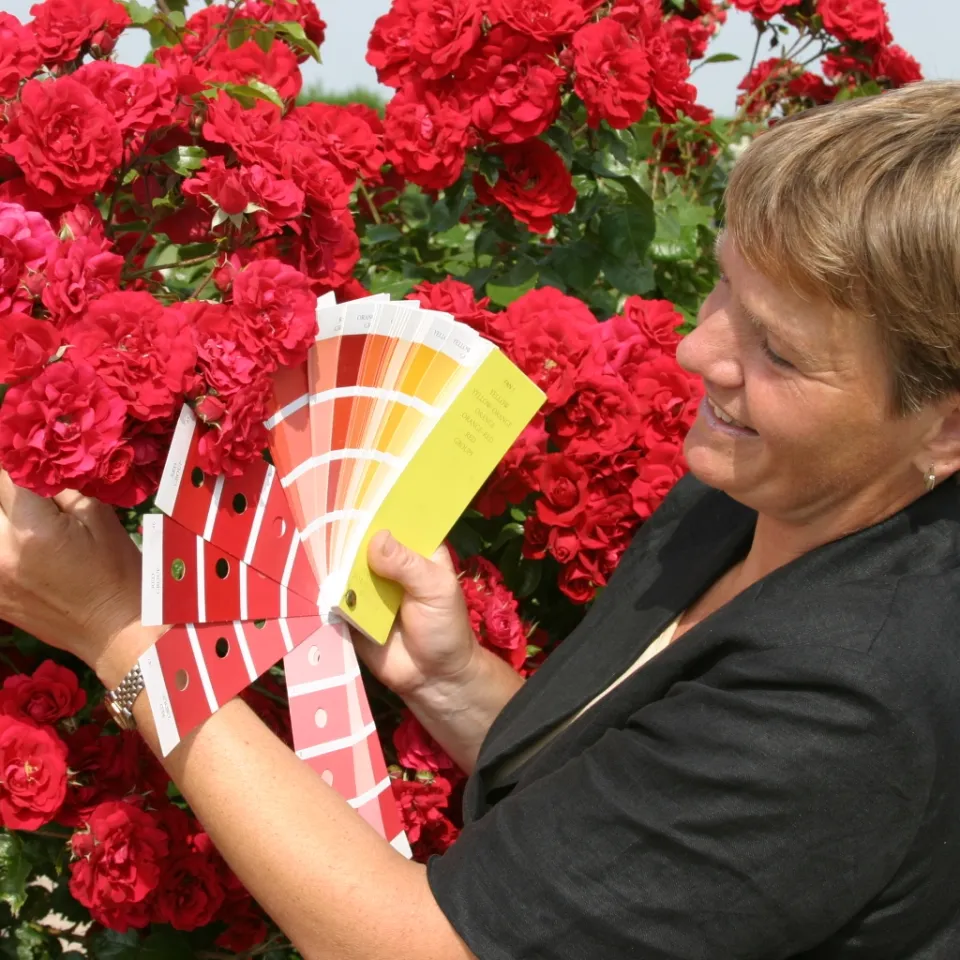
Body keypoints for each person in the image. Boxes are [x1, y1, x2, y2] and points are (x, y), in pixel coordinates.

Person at [2, 79, 960, 960]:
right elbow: (628, 830)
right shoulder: (746, 495)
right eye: (723, 289)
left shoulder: (848, 700)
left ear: (946, 424)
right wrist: (450, 682)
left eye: (780, 353)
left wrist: (122, 636)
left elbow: (421, 949)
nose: (700, 351)